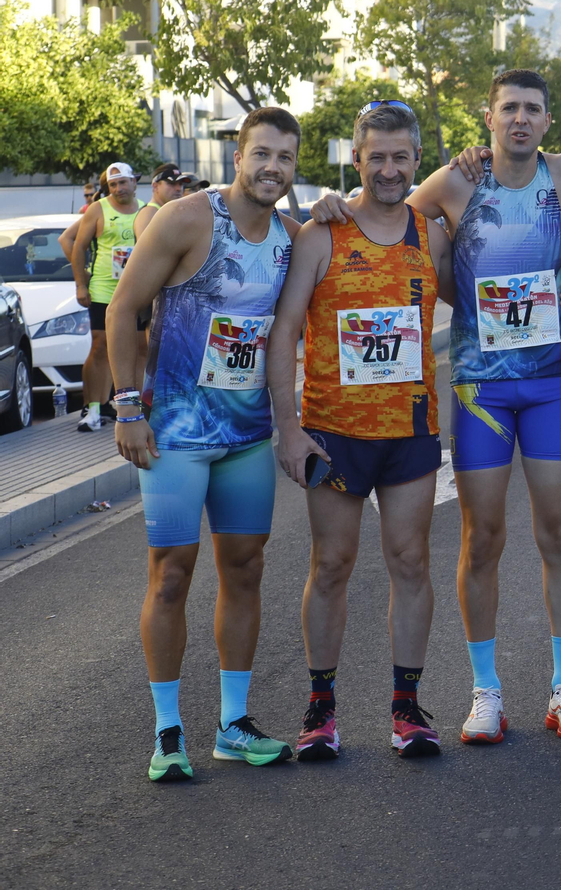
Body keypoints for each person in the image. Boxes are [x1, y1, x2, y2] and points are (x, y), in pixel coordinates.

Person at [311, 71, 561, 746]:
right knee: (483, 539)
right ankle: (486, 692)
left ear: (547, 118)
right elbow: (383, 221)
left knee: (559, 533)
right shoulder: (451, 184)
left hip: (550, 384)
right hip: (479, 388)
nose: (521, 120)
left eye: (533, 109)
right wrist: (329, 202)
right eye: (510, 109)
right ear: (489, 116)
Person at [107, 108, 301, 783]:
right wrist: (128, 407)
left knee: (245, 570)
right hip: (179, 436)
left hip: (247, 435)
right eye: (262, 153)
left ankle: (233, 724)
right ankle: (167, 735)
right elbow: (123, 307)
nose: (272, 167)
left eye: (286, 158)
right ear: (238, 155)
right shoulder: (190, 218)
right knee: (171, 578)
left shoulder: (291, 236)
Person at [267, 102, 455, 760]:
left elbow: (480, 297)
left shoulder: (430, 234)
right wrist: (289, 432)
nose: (389, 168)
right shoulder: (323, 235)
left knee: (410, 563)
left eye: (401, 156)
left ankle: (407, 709)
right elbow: (284, 330)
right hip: (333, 433)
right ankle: (320, 710)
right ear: (357, 160)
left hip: (409, 432)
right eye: (376, 156)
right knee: (333, 566)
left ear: (415, 161)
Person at [71, 162, 144, 431]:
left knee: (138, 347)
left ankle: (134, 407)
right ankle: (93, 409)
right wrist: (81, 285)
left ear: (134, 182)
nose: (118, 188)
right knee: (100, 347)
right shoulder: (97, 209)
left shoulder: (147, 210)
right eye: (113, 184)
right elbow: (77, 247)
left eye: (123, 182)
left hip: (135, 289)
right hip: (103, 289)